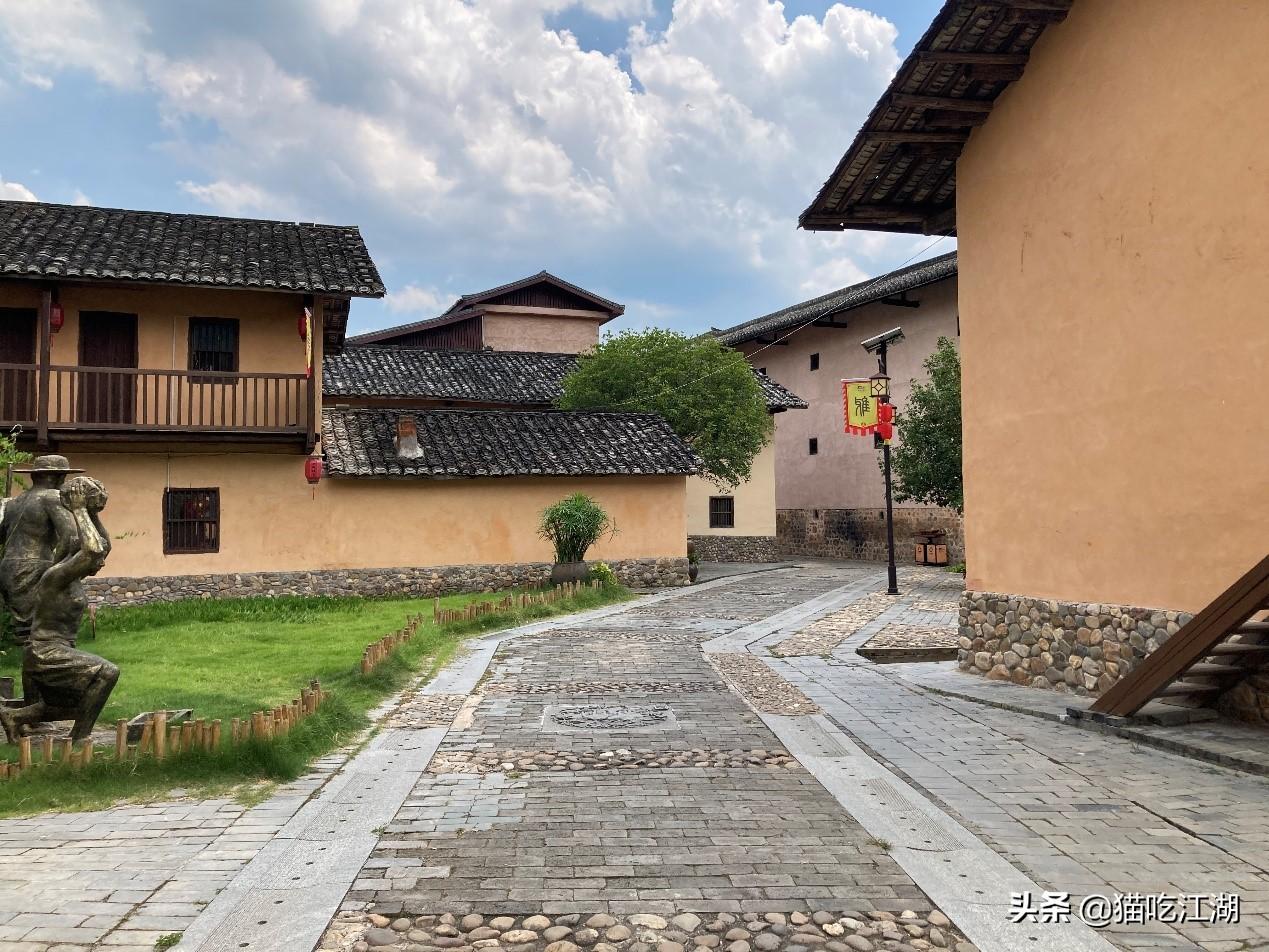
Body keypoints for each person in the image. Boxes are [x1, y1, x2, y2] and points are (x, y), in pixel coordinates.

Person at [0, 474, 119, 743]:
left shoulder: (72, 577)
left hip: (58, 651)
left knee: (79, 702)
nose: (99, 562)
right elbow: (90, 551)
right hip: (46, 653)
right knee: (108, 673)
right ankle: (80, 739)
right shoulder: (56, 576)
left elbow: (100, 549)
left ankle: (14, 716)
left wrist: (92, 514)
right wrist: (77, 510)